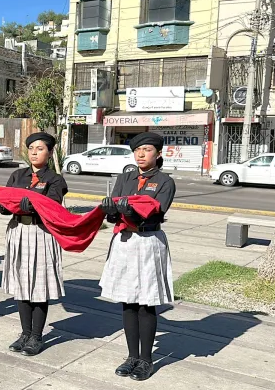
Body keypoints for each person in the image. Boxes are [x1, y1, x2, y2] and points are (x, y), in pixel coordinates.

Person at [99, 132, 176, 382]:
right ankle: (132, 356)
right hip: (125, 241)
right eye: (137, 150)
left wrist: (131, 211)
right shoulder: (126, 177)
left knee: (146, 302)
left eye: (147, 150)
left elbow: (156, 214)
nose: (141, 155)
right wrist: (110, 211)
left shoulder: (164, 182)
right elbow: (114, 215)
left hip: (148, 241)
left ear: (158, 154)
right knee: (128, 301)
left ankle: (146, 360)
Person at [0, 132, 67, 356]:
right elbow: (7, 200)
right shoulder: (18, 175)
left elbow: (52, 204)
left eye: (40, 148)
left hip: (41, 232)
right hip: (18, 231)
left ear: (50, 153)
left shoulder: (55, 179)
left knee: (38, 286)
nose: (34, 152)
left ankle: (36, 336)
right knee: (22, 284)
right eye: (31, 147)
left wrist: (33, 206)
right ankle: (25, 332)